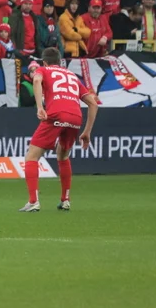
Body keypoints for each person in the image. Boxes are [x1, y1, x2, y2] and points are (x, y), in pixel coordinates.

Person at [21, 47, 100, 213]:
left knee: (32, 156)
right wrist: (87, 131)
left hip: (56, 113)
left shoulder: (43, 70)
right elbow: (93, 103)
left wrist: (40, 107)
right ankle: (65, 200)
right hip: (75, 116)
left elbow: (36, 81)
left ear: (45, 62)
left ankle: (33, 201)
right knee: (63, 155)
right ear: (60, 62)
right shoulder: (71, 75)